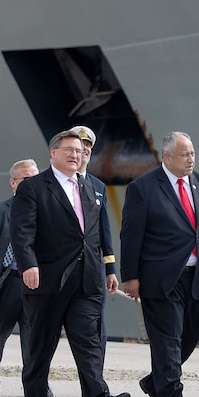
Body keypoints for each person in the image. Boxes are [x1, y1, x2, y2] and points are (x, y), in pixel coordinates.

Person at [10, 130, 129, 397]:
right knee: (41, 340)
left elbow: (94, 236)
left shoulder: (88, 187)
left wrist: (106, 269)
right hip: (47, 277)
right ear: (53, 153)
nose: (75, 154)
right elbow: (22, 232)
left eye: (79, 150)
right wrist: (28, 265)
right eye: (69, 150)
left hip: (86, 277)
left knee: (88, 338)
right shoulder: (34, 188)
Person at [120, 131, 199, 397]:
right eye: (185, 154)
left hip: (198, 276)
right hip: (160, 277)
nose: (191, 159)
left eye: (192, 153)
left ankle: (155, 381)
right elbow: (131, 235)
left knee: (192, 334)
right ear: (167, 157)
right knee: (167, 338)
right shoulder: (143, 188)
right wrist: (130, 276)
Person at [0, 158, 64, 397]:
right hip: (9, 284)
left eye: (35, 178)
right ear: (13, 183)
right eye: (26, 179)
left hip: (36, 285)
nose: (31, 183)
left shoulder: (46, 211)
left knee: (36, 340)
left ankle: (40, 390)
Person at [67, 125, 118, 354]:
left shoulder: (98, 186)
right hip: (63, 266)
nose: (84, 149)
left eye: (88, 145)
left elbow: (104, 230)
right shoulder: (54, 183)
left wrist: (110, 269)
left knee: (97, 325)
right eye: (80, 144)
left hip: (93, 267)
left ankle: (97, 382)